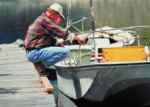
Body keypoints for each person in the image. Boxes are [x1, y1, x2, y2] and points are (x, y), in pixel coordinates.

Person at [24, 3, 87, 92]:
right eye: (59, 17)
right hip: (34, 53)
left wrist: (58, 43)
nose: (59, 20)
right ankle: (43, 66)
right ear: (54, 13)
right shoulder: (44, 20)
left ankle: (43, 66)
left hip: (34, 52)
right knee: (65, 52)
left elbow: (48, 39)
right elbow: (59, 32)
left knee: (62, 50)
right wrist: (76, 38)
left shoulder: (43, 20)